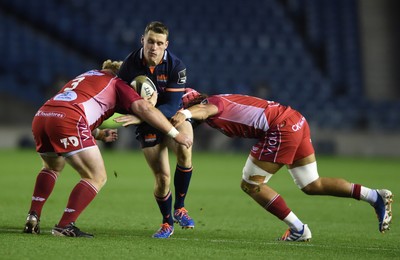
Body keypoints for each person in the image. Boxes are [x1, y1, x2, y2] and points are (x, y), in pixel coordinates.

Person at [168, 89, 393, 241]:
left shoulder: (209, 104)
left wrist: (185, 112)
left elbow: (205, 109)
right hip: (295, 120)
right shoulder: (214, 104)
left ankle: (299, 229)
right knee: (311, 184)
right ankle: (374, 196)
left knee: (250, 184)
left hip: (281, 128)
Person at [23, 60, 192, 238]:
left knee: (51, 167)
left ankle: (33, 215)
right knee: (96, 176)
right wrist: (175, 134)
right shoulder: (117, 82)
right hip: (69, 120)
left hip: (44, 115)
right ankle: (64, 226)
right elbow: (144, 109)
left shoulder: (86, 76)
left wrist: (98, 134)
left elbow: (73, 105)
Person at [117, 21, 195, 238]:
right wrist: (142, 112)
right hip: (145, 123)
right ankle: (166, 222)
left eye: (159, 43)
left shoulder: (176, 66)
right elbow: (120, 101)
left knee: (185, 146)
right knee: (162, 178)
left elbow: (172, 105)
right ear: (142, 40)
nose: (154, 47)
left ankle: (179, 208)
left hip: (170, 117)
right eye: (150, 41)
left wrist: (148, 107)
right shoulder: (129, 65)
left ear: (166, 44)